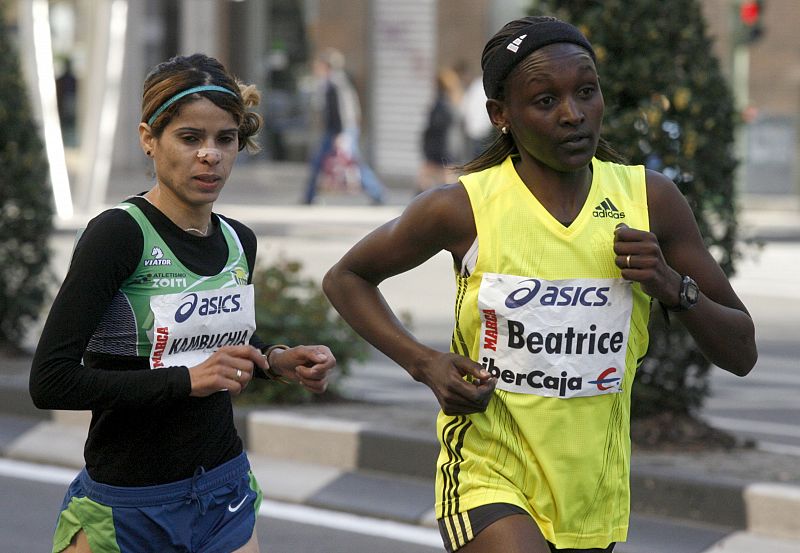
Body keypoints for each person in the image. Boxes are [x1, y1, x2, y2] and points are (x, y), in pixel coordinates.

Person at [323, 16, 757, 553]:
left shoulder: (651, 201)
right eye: (545, 101)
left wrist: (672, 286)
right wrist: (424, 362)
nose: (573, 114)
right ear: (501, 115)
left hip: (590, 493)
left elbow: (741, 350)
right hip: (487, 475)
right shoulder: (462, 208)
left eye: (586, 92)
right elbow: (347, 277)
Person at [29, 53, 336, 553]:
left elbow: (226, 345)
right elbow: (50, 380)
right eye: (190, 138)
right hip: (127, 503)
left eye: (225, 139)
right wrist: (184, 382)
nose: (210, 155)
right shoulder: (120, 235)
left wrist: (277, 361)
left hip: (223, 492)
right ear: (149, 139)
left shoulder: (240, 240)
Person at [302, 47, 384, 205]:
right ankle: (309, 196)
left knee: (351, 162)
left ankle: (378, 194)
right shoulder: (330, 82)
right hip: (338, 130)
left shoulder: (336, 83)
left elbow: (343, 110)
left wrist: (342, 134)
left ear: (326, 65)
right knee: (348, 162)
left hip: (339, 130)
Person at [416, 67, 465, 193]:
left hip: (439, 146)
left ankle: (420, 200)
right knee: (447, 177)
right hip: (451, 145)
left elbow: (435, 125)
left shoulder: (441, 103)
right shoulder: (455, 100)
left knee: (431, 175)